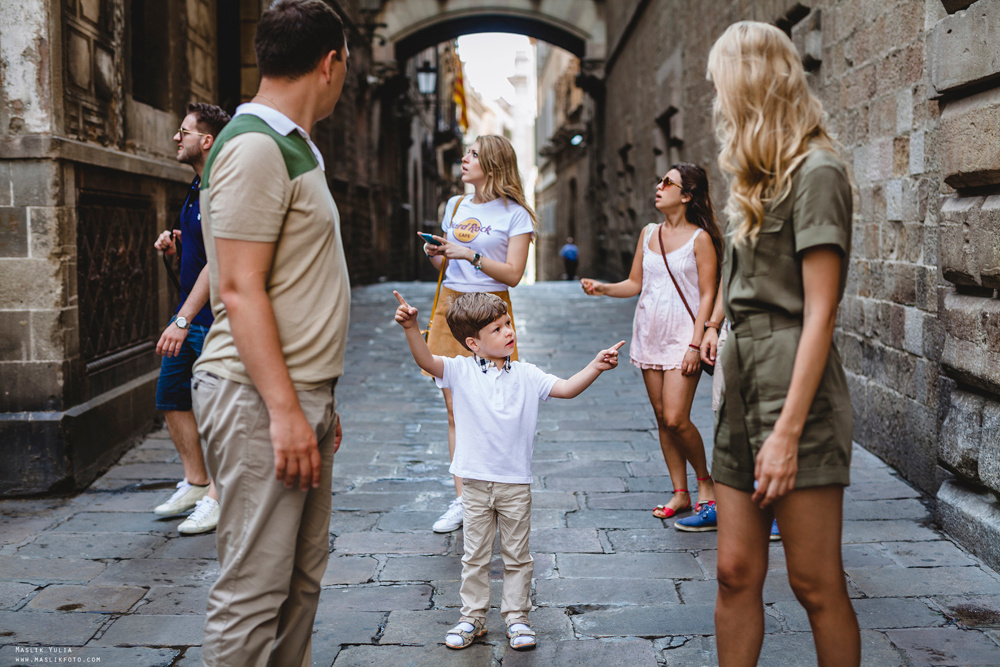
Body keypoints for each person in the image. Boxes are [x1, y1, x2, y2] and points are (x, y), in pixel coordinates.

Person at [190, 2, 349, 665]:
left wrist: (317, 404)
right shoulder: (257, 146)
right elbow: (238, 287)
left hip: (295, 397)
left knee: (298, 587)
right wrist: (286, 411)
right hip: (257, 399)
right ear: (331, 62)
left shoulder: (291, 143)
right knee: (255, 594)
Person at [705, 21, 859, 666]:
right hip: (744, 381)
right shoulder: (752, 179)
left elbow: (821, 314)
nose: (716, 98)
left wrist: (788, 434)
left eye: (721, 83)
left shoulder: (817, 171)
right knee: (735, 571)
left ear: (750, 82)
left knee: (814, 583)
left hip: (797, 384)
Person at [393, 290, 624, 651]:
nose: (508, 332)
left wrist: (595, 365)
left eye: (508, 324)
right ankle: (472, 617)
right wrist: (411, 328)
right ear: (473, 343)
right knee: (475, 555)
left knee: (518, 555)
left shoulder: (528, 375)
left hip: (515, 483)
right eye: (497, 329)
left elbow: (565, 389)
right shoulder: (460, 370)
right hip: (475, 482)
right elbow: (426, 359)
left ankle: (517, 617)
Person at [581, 163, 722, 530]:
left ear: (687, 195)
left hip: (682, 339)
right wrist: (603, 288)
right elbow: (634, 283)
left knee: (677, 417)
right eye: (660, 180)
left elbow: (708, 293)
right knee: (662, 419)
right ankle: (680, 492)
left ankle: (705, 482)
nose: (658, 187)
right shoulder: (649, 233)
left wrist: (696, 342)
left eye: (668, 183)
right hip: (649, 334)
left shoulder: (700, 238)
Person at [421, 135, 537, 534]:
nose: (464, 159)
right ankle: (464, 501)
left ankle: (500, 494)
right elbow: (444, 265)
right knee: (456, 409)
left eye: (472, 154)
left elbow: (514, 275)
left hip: (491, 310)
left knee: (496, 408)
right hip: (451, 308)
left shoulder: (515, 214)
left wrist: (468, 254)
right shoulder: (454, 205)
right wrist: (437, 253)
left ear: (492, 164)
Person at [152, 102, 230, 535]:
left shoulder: (219, 186)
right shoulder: (195, 185)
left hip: (215, 319)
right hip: (193, 315)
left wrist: (181, 320)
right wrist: (177, 247)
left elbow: (219, 261)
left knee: (219, 409)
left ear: (207, 140)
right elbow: (202, 253)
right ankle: (197, 482)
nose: (177, 138)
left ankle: (219, 495)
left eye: (185, 131)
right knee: (172, 397)